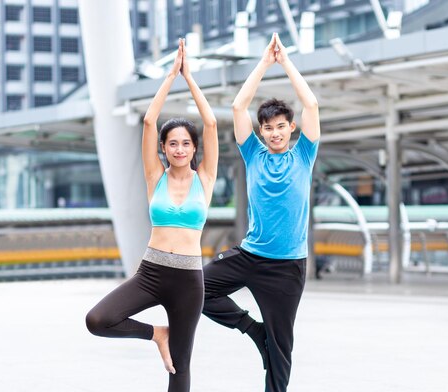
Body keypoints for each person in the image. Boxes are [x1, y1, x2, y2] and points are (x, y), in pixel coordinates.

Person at [85, 38, 218, 392]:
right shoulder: (154, 177)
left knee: (180, 366)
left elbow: (212, 124)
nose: (179, 148)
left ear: (194, 148)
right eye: (172, 143)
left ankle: (169, 342)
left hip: (189, 280)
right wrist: (170, 75)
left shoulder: (204, 179)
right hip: (152, 272)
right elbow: (148, 120)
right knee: (98, 319)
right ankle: (158, 334)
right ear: (163, 148)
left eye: (186, 143)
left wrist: (190, 79)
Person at [202, 33, 320, 392]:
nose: (274, 133)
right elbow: (239, 108)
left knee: (280, 352)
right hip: (251, 255)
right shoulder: (253, 154)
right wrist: (264, 64)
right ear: (262, 131)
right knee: (197, 288)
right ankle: (253, 330)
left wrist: (285, 62)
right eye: (268, 128)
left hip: (287, 267)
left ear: (291, 128)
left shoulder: (304, 155)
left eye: (281, 127)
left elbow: (311, 104)